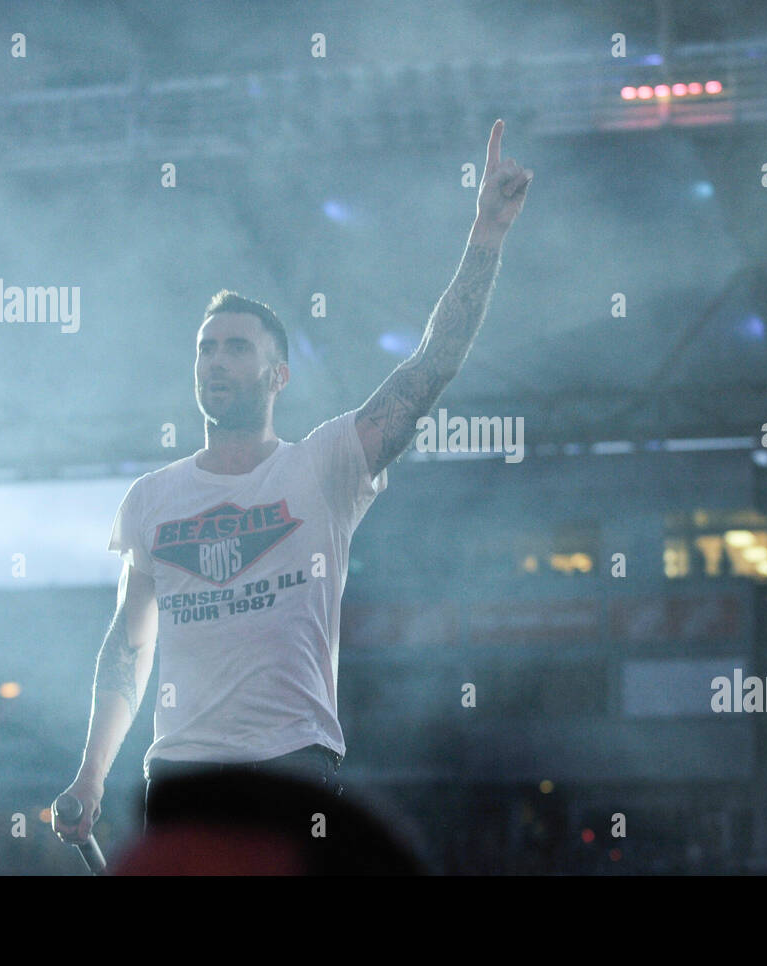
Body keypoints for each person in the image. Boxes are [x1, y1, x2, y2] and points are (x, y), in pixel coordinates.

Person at [53, 120, 532, 853]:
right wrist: (91, 777)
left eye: (237, 347)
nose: (217, 360)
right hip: (179, 773)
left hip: (292, 767)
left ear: (277, 375)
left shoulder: (323, 466)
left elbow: (430, 369)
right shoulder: (150, 499)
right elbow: (129, 646)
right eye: (206, 348)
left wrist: (487, 236)